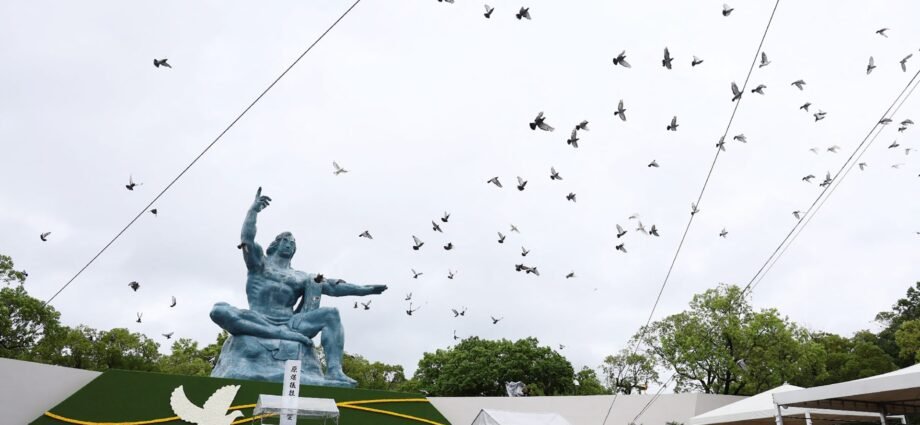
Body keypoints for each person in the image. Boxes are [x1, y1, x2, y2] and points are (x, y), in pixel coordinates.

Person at [210, 187, 386, 384]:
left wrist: (364, 290)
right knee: (218, 310)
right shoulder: (260, 263)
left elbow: (333, 287)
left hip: (291, 324)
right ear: (275, 245)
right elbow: (247, 240)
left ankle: (335, 371)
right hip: (258, 318)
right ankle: (276, 334)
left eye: (292, 242)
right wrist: (253, 211)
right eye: (285, 240)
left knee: (331, 314)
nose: (289, 244)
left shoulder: (301, 277)